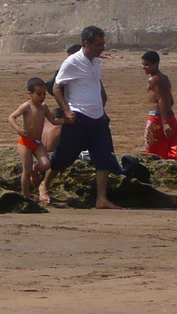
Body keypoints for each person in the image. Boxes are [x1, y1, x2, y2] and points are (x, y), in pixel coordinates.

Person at [49, 26, 122, 209]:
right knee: (64, 157)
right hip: (79, 117)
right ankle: (44, 185)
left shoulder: (96, 61)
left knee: (104, 158)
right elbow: (56, 87)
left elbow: (96, 81)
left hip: (98, 117)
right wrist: (66, 111)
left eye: (103, 44)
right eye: (98, 45)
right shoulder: (72, 62)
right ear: (86, 43)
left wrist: (103, 98)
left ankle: (102, 199)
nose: (101, 48)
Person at [9, 77, 61, 204]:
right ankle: (26, 196)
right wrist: (18, 129)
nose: (42, 97)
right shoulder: (26, 106)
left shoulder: (43, 107)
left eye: (44, 94)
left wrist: (67, 121)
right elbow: (11, 117)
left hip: (37, 142)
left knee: (45, 164)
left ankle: (33, 169)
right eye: (38, 94)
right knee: (26, 172)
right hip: (25, 142)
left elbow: (53, 120)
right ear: (30, 94)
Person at [142, 50, 177, 162]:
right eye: (143, 64)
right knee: (175, 150)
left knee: (152, 152)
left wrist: (164, 123)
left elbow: (161, 100)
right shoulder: (165, 78)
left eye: (147, 65)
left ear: (155, 64)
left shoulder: (153, 79)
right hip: (171, 117)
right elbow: (170, 101)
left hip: (157, 118)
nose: (144, 67)